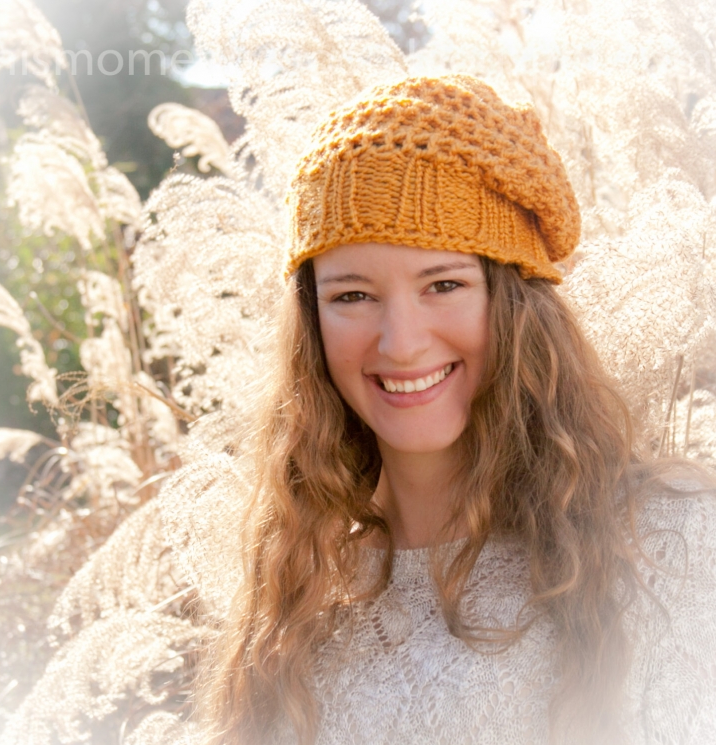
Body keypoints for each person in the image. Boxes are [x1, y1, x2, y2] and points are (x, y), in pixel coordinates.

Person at [199, 76, 716, 744]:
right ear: (311, 323)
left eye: (443, 284)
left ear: (514, 304)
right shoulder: (299, 595)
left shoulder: (665, 543)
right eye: (352, 296)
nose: (401, 341)